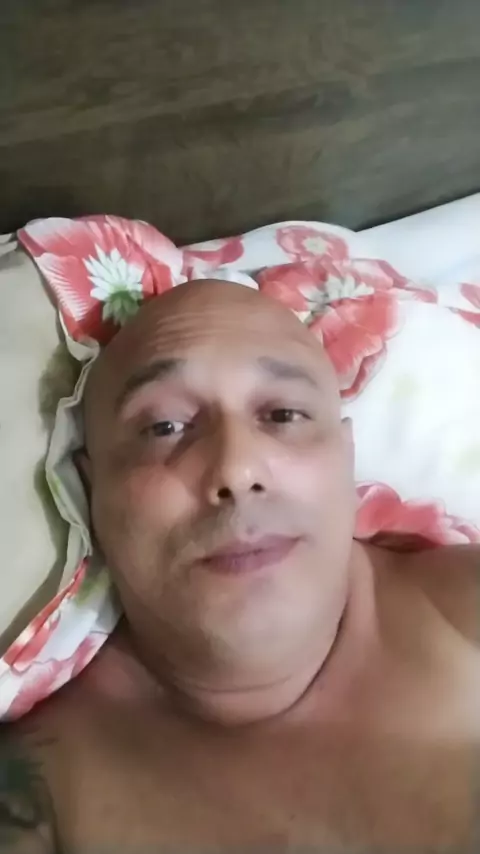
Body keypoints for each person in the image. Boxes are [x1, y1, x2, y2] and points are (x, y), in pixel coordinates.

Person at [1, 279, 479, 854]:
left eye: (283, 414)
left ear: (346, 458)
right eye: (163, 427)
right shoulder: (42, 790)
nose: (236, 467)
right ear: (89, 486)